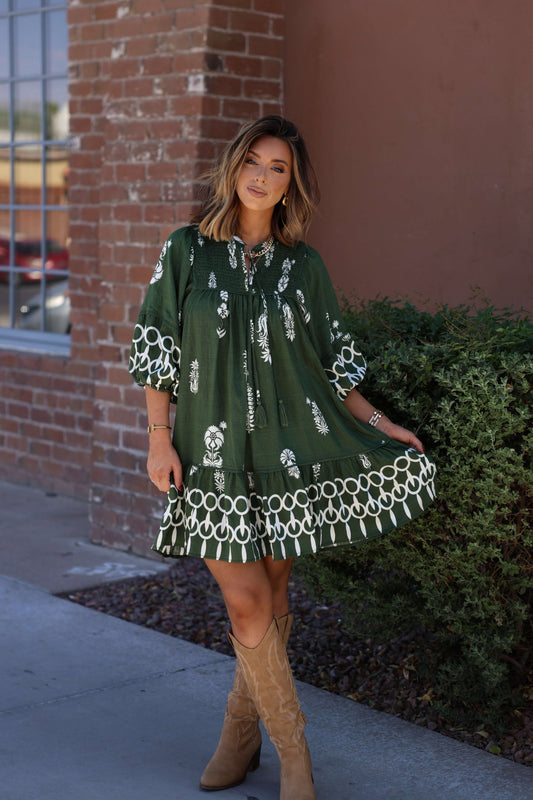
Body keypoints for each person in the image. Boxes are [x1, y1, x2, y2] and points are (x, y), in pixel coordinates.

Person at [129, 115, 436, 799]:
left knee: (270, 596)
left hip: (288, 455)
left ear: (291, 184)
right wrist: (158, 436)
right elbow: (158, 345)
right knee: (245, 603)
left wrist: (381, 423)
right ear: (233, 166)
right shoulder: (186, 249)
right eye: (254, 162)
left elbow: (332, 365)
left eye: (278, 169)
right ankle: (295, 758)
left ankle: (238, 737)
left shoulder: (304, 266)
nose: (262, 177)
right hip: (209, 461)